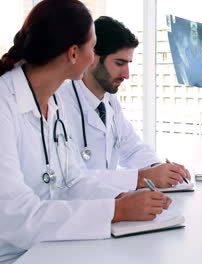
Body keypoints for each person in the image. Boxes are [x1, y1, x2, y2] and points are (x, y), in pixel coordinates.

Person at [0, 1, 171, 263]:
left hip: (49, 246)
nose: (92, 57)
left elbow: (73, 180)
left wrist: (123, 197)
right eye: (92, 47)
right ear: (73, 53)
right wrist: (114, 210)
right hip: (14, 255)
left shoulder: (52, 103)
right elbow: (15, 216)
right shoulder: (5, 104)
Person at [58, 16, 190, 190]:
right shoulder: (60, 106)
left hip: (110, 204)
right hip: (78, 209)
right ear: (92, 58)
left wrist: (158, 169)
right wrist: (141, 178)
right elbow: (70, 178)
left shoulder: (110, 103)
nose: (126, 74)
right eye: (119, 63)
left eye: (128, 64)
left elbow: (132, 148)